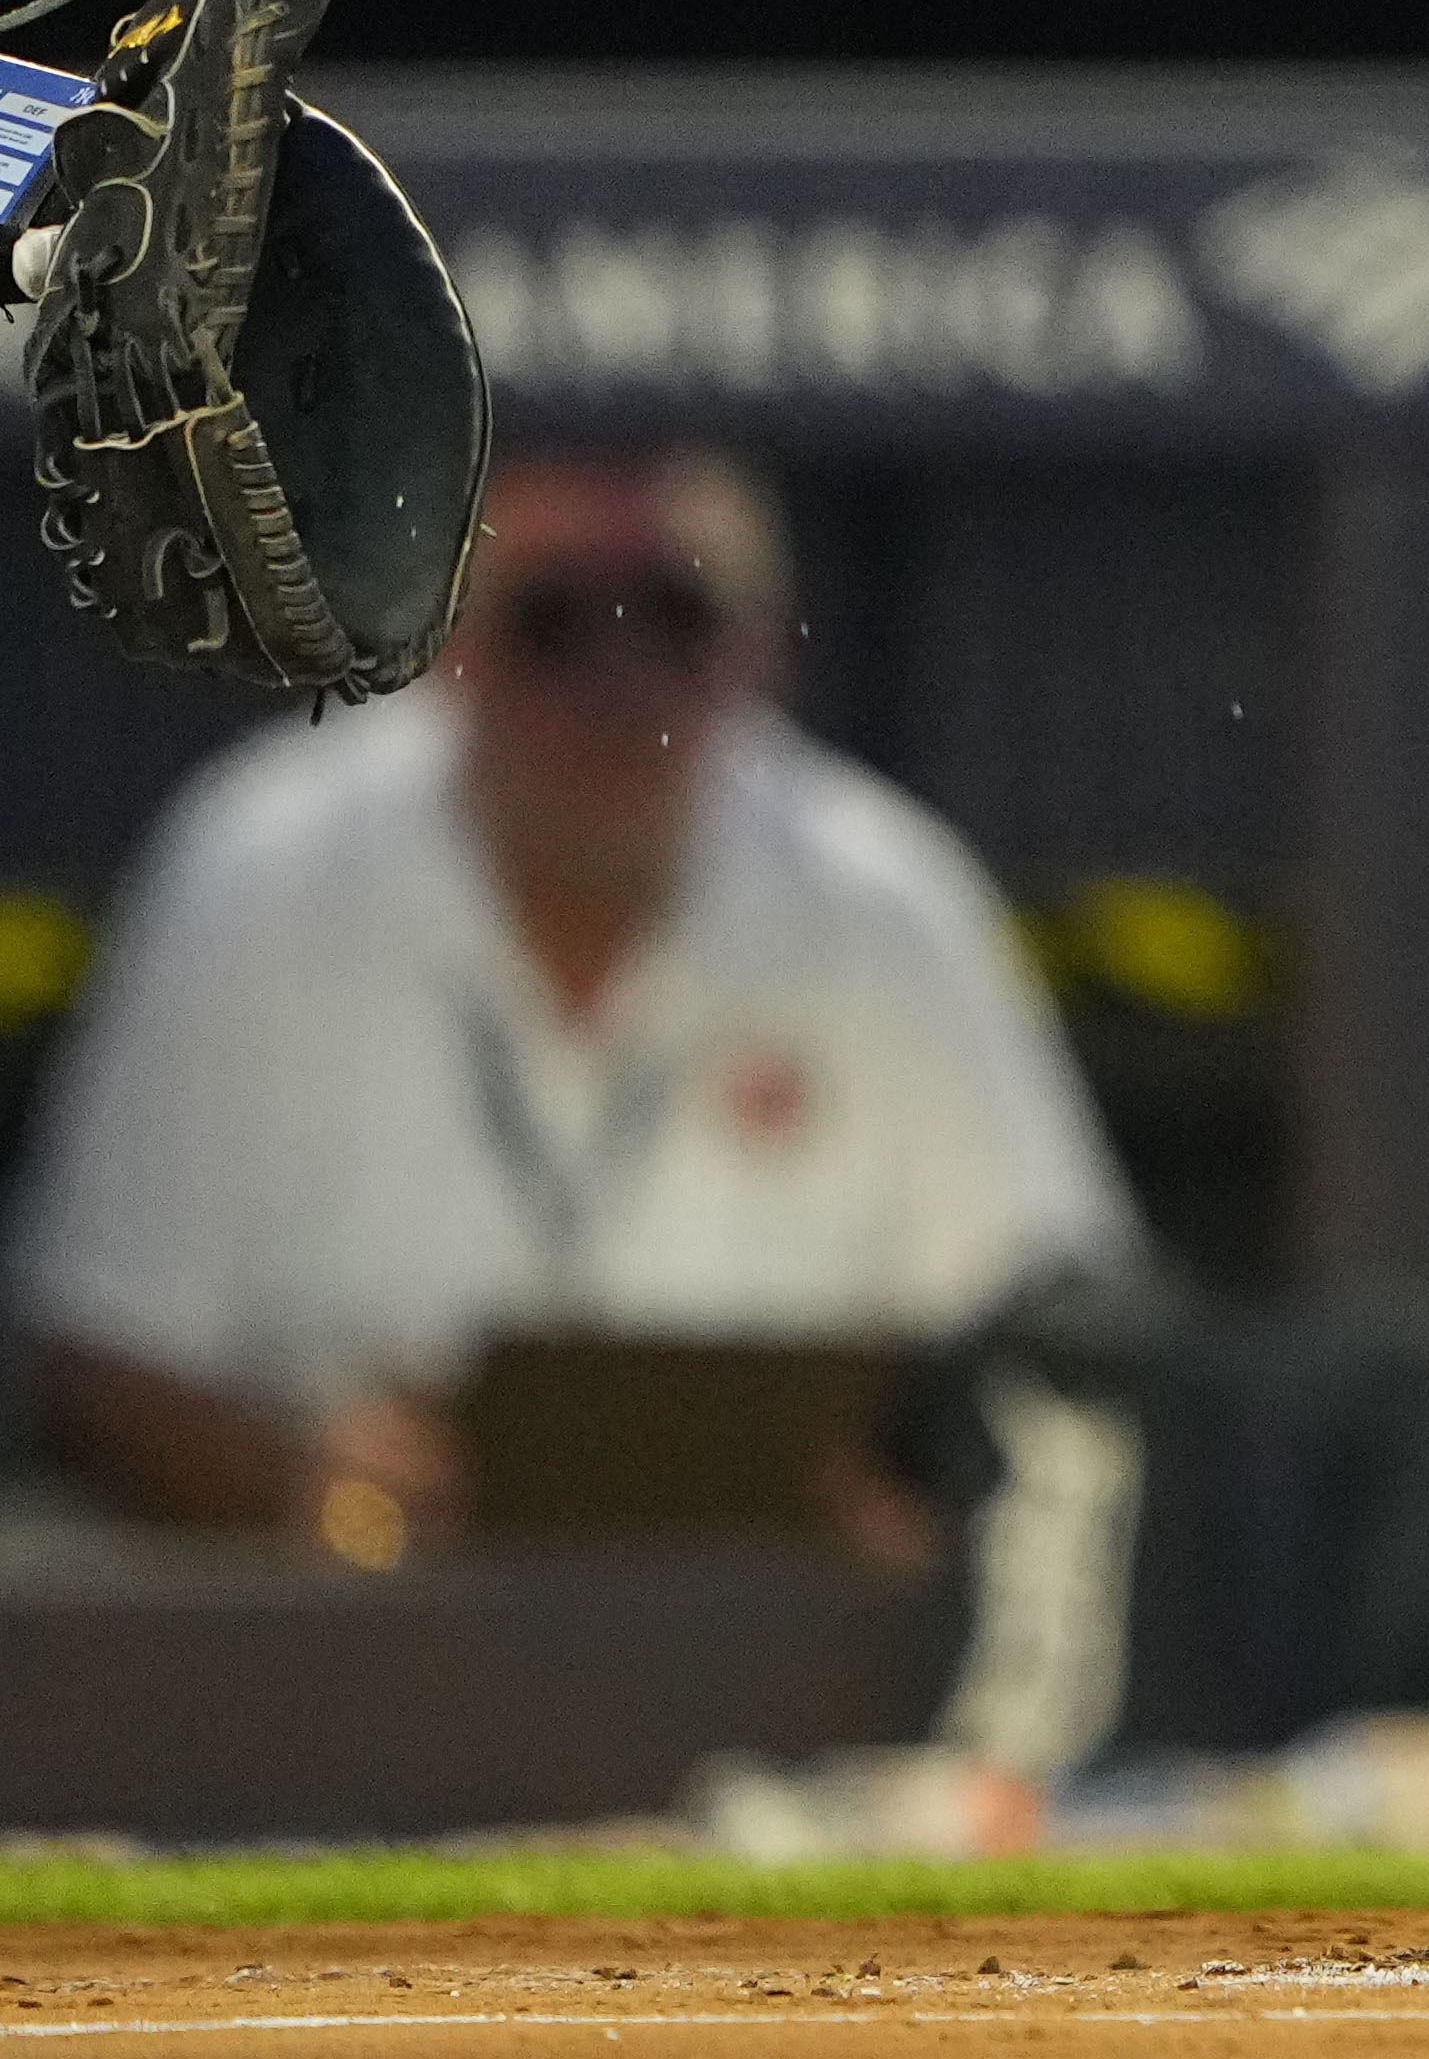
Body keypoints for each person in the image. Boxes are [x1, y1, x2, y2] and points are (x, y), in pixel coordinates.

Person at [8, 445, 1136, 1563]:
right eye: (553, 621)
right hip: (356, 1667)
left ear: (760, 645)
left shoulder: (891, 905)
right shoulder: (261, 878)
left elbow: (1061, 1338)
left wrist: (921, 1486)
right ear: (441, 641)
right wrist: (317, 1491)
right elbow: (101, 1349)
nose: (619, 680)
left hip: (787, 1650)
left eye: (676, 616)